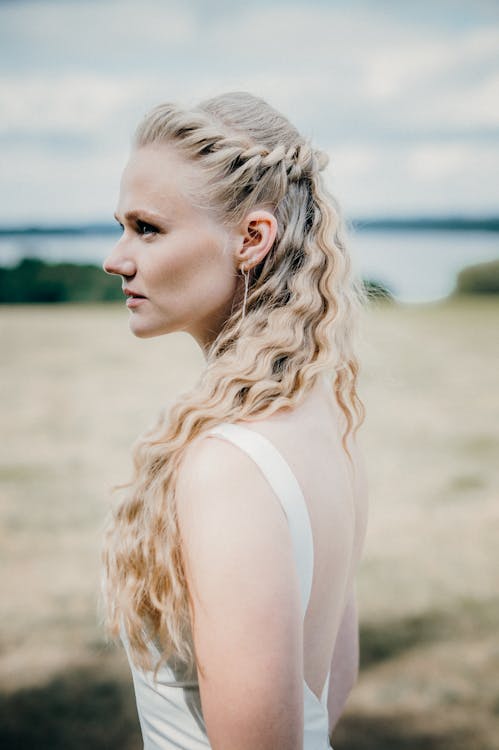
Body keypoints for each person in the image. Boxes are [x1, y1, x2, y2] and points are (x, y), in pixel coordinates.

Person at [101, 90, 369, 750]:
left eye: (148, 228)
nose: (116, 258)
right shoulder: (328, 422)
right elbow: (335, 674)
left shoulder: (229, 467)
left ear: (252, 238)